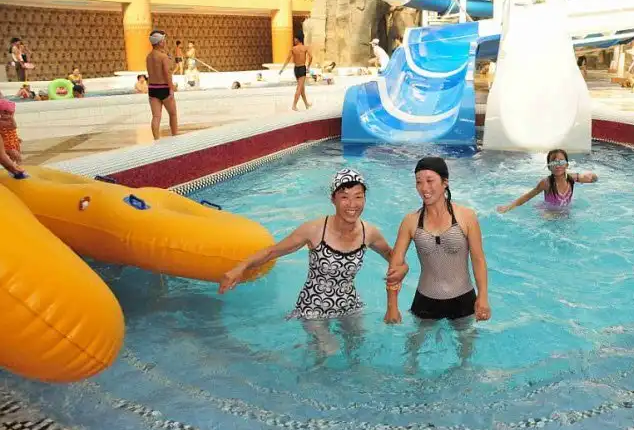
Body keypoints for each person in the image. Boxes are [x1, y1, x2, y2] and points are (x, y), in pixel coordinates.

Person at [219, 169, 407, 359]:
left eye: (358, 197)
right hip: (314, 305)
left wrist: (403, 269)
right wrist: (241, 267)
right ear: (333, 199)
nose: (352, 204)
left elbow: (392, 256)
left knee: (359, 344)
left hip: (348, 302)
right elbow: (272, 251)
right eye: (344, 197)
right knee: (329, 350)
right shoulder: (315, 230)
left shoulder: (369, 233)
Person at [384, 157, 490, 372]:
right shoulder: (410, 221)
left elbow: (478, 259)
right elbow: (395, 266)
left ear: (445, 182)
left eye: (430, 181)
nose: (424, 188)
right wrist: (392, 307)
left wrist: (483, 297)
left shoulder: (466, 216)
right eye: (418, 182)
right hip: (425, 301)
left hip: (463, 300)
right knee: (412, 356)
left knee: (466, 359)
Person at [496, 149, 598, 214]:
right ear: (549, 167)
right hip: (549, 212)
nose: (558, 165)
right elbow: (527, 196)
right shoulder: (546, 183)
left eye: (561, 162)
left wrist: (593, 177)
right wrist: (508, 207)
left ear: (567, 165)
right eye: (553, 163)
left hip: (564, 212)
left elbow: (592, 179)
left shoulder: (572, 178)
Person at [145, 30, 179, 141]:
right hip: (164, 87)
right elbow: (167, 73)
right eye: (163, 40)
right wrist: (171, 88)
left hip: (152, 88)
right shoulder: (163, 57)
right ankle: (175, 138)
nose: (165, 42)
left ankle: (156, 139)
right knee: (173, 114)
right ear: (160, 42)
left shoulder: (148, 57)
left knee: (156, 116)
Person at [279, 33, 312, 111]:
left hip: (296, 69)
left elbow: (288, 59)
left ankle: (306, 104)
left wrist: (282, 69)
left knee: (302, 88)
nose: (294, 40)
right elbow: (311, 57)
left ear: (298, 39)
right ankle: (294, 105)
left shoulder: (293, 49)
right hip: (302, 68)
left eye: (295, 38)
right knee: (299, 88)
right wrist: (308, 66)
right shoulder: (305, 48)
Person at [0, 98, 23, 175]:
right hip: (6, 144)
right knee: (17, 156)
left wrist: (17, 138)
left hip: (13, 142)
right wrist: (11, 119)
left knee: (13, 158)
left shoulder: (10, 120)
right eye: (5, 113)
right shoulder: (1, 122)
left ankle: (13, 170)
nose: (8, 115)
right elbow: (12, 127)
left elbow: (13, 128)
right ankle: (18, 170)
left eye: (10, 113)